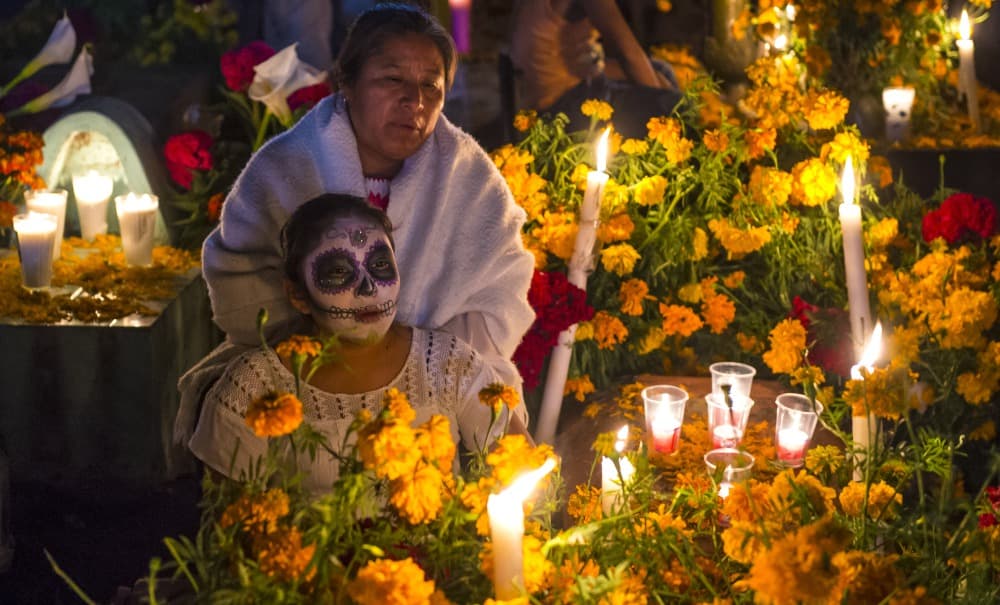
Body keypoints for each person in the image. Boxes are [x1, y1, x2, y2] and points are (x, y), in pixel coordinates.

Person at [175, 2, 535, 446]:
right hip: (306, 376)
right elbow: (240, 284)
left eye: (431, 85)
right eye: (392, 79)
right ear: (346, 81)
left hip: (437, 387)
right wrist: (342, 354)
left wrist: (412, 361)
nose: (415, 101)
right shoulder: (285, 167)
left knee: (500, 433)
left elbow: (499, 296)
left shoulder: (471, 179)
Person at [189, 195, 526, 493]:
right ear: (297, 294)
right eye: (339, 272)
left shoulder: (447, 364)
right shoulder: (254, 388)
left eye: (380, 265)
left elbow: (524, 469)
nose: (369, 289)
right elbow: (228, 525)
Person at [508, 0, 683, 138]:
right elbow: (628, 55)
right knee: (675, 107)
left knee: (661, 70)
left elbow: (573, 62)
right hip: (558, 108)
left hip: (557, 86)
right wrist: (665, 110)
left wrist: (657, 83)